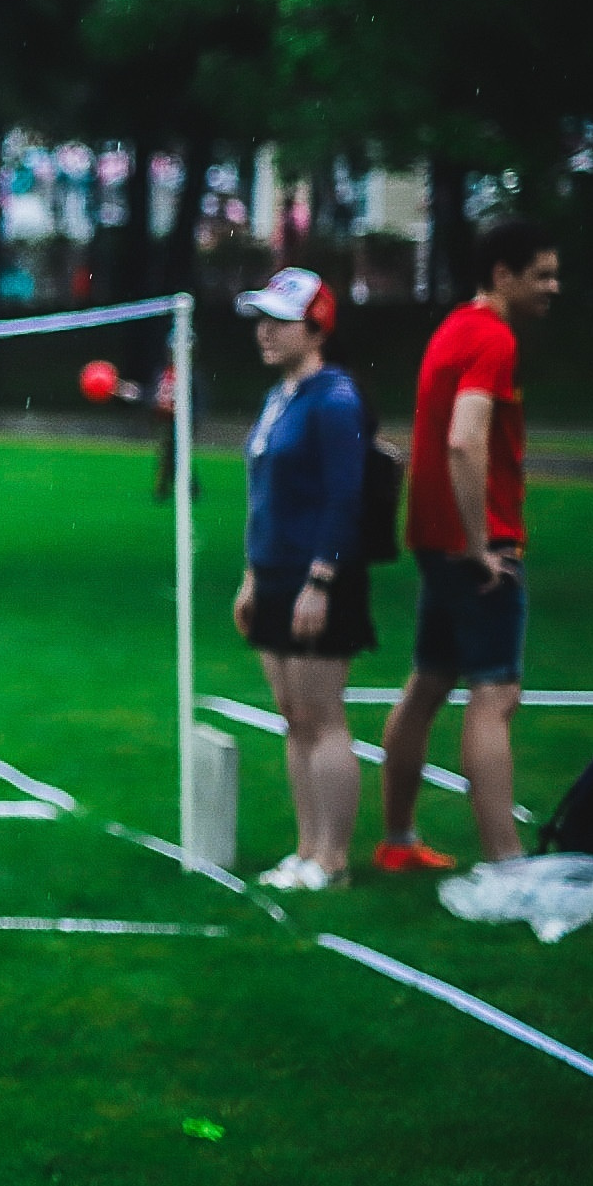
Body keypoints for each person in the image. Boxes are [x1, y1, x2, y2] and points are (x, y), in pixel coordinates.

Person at [376, 218, 561, 871]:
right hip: (476, 546)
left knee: (428, 683)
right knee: (495, 695)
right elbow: (463, 436)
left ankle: (398, 840)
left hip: (435, 541)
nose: (553, 286)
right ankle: (507, 863)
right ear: (502, 275)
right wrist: (482, 543)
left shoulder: (454, 328)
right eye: (542, 273)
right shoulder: (491, 338)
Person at [228, 268, 373, 890]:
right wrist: (253, 576)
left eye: (278, 320)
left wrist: (321, 580)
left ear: (315, 327)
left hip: (319, 578)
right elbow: (266, 497)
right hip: (276, 575)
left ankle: (333, 859)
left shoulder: (336, 400)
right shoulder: (281, 396)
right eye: (260, 318)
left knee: (322, 714)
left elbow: (346, 498)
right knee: (294, 715)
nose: (263, 331)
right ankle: (307, 848)